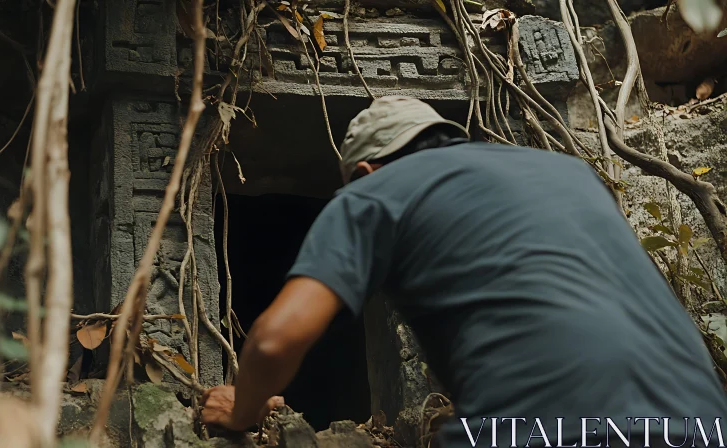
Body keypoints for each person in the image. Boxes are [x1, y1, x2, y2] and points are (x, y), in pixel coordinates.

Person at [200, 95, 727, 446]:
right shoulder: (570, 173)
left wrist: (241, 410)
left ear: (364, 172)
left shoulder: (373, 194)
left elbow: (274, 341)